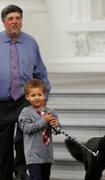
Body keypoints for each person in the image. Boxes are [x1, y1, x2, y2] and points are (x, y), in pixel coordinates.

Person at [0, 4, 51, 180]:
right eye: (10, 19)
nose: (14, 22)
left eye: (18, 18)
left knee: (24, 139)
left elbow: (41, 72)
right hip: (2, 103)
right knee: (3, 144)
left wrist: (44, 98)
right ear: (4, 22)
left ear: (21, 21)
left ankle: (21, 172)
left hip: (24, 100)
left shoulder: (31, 42)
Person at [18, 79, 59, 180]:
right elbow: (26, 128)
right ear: (27, 97)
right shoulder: (26, 112)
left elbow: (56, 131)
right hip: (33, 156)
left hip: (47, 155)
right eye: (33, 95)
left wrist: (56, 126)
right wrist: (44, 120)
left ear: (44, 95)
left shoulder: (50, 112)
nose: (36, 98)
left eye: (39, 94)